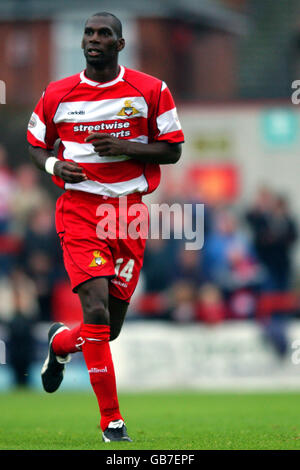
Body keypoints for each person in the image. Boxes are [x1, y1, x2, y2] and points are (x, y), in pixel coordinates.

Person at [27, 12, 184, 442]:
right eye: (88, 33)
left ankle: (60, 345)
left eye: (104, 34)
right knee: (94, 310)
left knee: (108, 329)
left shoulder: (151, 90)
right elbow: (36, 142)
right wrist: (55, 163)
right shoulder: (58, 93)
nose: (94, 40)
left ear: (120, 44)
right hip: (80, 211)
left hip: (129, 214)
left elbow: (172, 151)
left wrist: (127, 147)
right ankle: (112, 421)